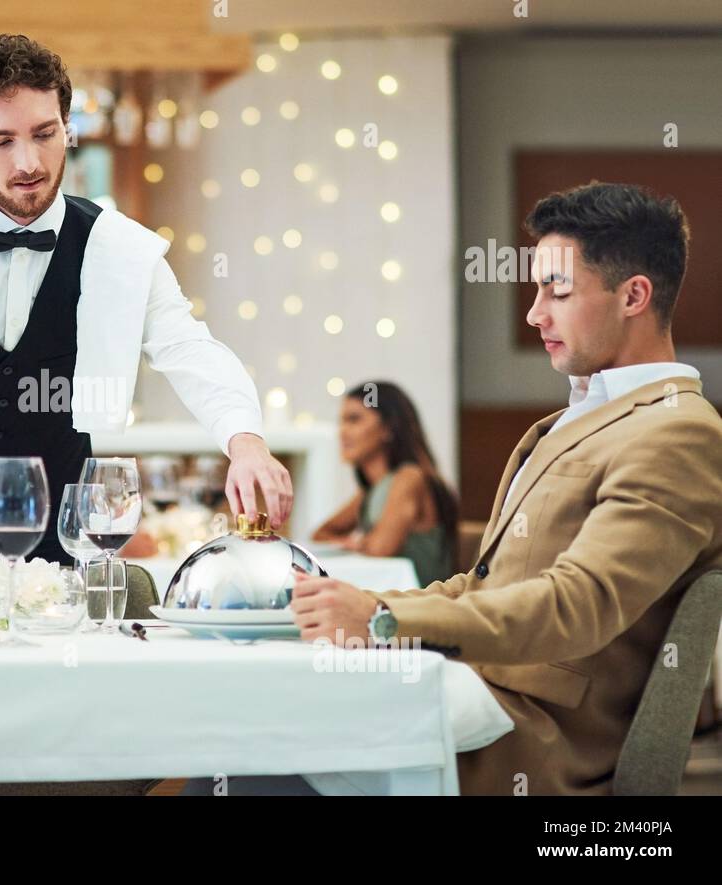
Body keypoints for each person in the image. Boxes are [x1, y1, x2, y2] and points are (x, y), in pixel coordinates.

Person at [292, 181, 722, 794]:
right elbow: (485, 583)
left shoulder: (677, 432)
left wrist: (385, 619)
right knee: (265, 727)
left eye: (558, 290)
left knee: (269, 747)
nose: (535, 313)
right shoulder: (575, 419)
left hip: (533, 740)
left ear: (634, 295)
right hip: (485, 694)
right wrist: (350, 601)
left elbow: (578, 604)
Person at [0, 34, 291, 564]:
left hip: (56, 542)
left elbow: (188, 349)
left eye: (45, 134)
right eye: (1, 141)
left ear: (68, 127)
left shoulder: (118, 246)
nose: (28, 163)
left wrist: (246, 441)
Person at [312, 381, 458, 584]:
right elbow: (320, 534)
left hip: (422, 604)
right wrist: (357, 542)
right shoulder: (373, 490)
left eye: (354, 420)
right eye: (341, 422)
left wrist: (357, 542)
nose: (342, 432)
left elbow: (381, 548)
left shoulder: (409, 477)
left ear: (388, 428)